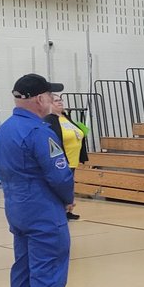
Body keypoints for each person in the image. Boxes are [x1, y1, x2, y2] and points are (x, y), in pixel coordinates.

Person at [0, 74, 82, 287]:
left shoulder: (4, 130)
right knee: (47, 272)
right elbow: (58, 173)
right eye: (49, 96)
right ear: (40, 99)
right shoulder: (40, 132)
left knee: (24, 269)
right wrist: (68, 200)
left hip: (17, 208)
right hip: (43, 210)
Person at [44, 92, 87, 220]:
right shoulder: (49, 119)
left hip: (73, 158)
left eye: (61, 100)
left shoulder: (66, 117)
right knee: (61, 185)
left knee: (70, 185)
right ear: (49, 104)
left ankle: (68, 210)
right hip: (63, 159)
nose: (60, 102)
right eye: (56, 100)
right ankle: (59, 211)